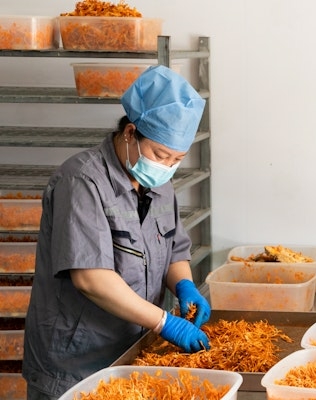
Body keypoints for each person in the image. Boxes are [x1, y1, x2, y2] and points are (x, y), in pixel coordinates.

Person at [23, 65, 212, 400]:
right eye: (159, 154)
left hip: (132, 353)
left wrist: (183, 284)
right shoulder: (81, 181)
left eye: (176, 159)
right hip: (75, 363)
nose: (166, 167)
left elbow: (174, 250)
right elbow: (90, 278)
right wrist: (165, 323)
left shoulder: (162, 186)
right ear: (130, 133)